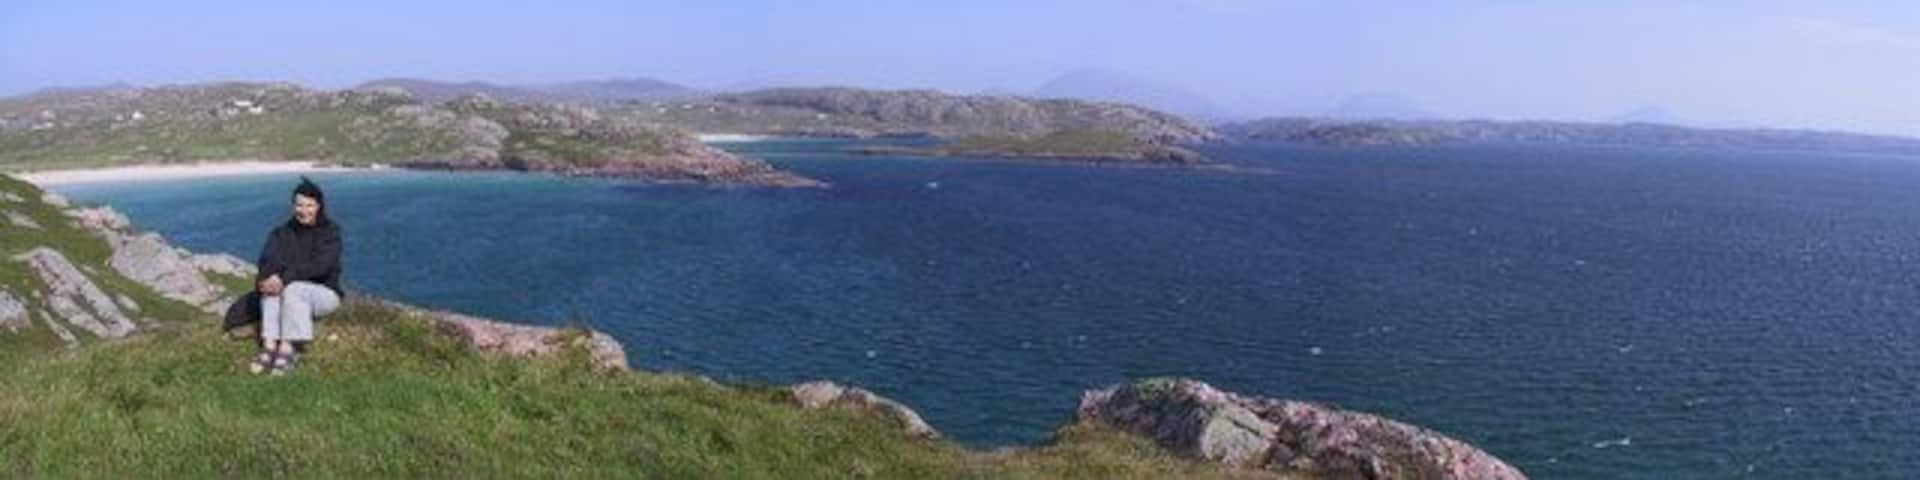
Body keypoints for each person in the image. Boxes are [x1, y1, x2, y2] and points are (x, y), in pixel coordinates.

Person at [248, 177, 344, 376]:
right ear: (293, 206)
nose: (304, 210)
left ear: (319, 206)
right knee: (273, 288)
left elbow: (321, 267)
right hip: (288, 292)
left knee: (292, 287)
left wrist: (284, 278)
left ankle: (288, 349)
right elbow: (267, 261)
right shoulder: (280, 234)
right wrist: (266, 279)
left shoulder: (330, 232)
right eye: (299, 205)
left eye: (310, 205)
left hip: (324, 294)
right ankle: (268, 346)